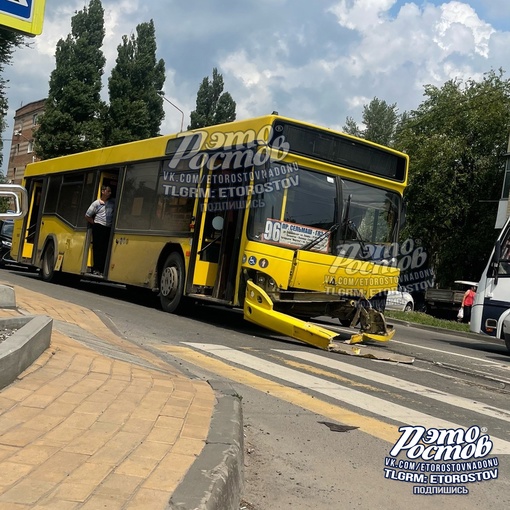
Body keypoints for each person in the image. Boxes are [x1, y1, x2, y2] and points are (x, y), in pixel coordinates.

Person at [85, 186, 115, 276]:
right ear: (103, 191)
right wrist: (94, 223)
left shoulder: (112, 203)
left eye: (110, 191)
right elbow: (87, 215)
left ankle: (103, 269)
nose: (109, 193)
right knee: (98, 248)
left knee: (105, 248)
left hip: (108, 228)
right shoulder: (96, 203)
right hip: (98, 227)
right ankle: (96, 268)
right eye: (108, 191)